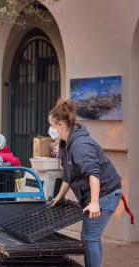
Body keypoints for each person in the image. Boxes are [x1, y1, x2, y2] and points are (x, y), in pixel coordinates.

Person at [49, 99, 122, 267]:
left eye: (52, 126)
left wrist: (95, 203)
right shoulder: (65, 144)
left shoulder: (80, 145)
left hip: (106, 194)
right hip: (100, 194)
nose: (51, 130)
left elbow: (93, 173)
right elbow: (68, 175)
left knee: (89, 237)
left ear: (60, 125)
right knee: (92, 237)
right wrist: (60, 196)